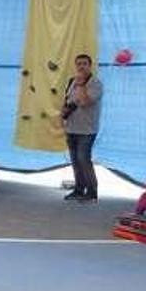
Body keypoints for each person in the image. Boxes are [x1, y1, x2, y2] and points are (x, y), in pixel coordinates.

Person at [62, 53, 103, 202]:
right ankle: (79, 189)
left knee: (84, 159)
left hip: (87, 130)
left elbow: (85, 102)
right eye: (78, 63)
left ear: (90, 66)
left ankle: (92, 192)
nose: (81, 66)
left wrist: (80, 84)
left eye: (84, 63)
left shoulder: (95, 83)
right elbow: (68, 102)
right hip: (71, 128)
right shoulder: (71, 82)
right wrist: (63, 115)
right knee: (75, 160)